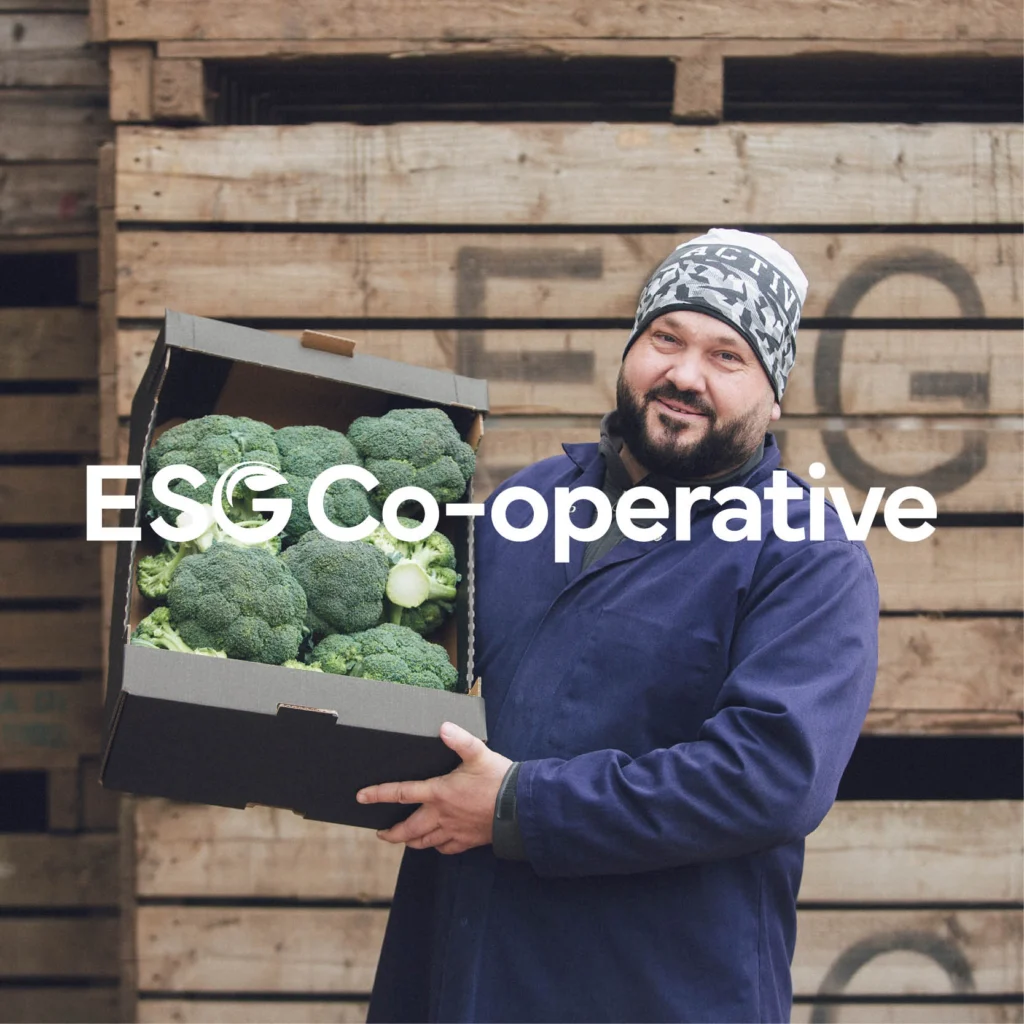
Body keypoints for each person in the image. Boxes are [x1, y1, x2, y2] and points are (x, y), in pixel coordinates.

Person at [356, 229, 880, 1023]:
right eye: (665, 338)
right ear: (632, 347)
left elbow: (771, 776)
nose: (684, 374)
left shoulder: (806, 553)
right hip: (464, 972)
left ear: (774, 395)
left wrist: (519, 807)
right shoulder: (527, 506)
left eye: (727, 356)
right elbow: (430, 670)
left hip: (655, 991)